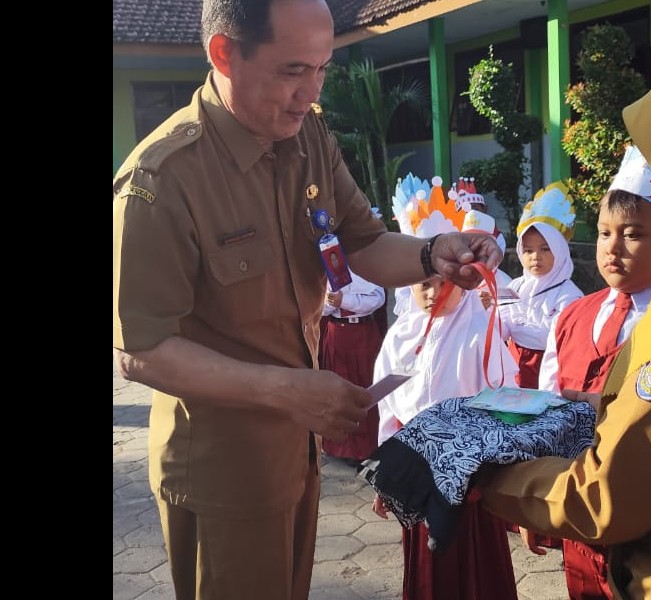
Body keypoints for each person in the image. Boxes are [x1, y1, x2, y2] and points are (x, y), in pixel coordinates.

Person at [111, 2, 502, 599]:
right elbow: (140, 352)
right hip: (223, 470)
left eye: (322, 69)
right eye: (293, 70)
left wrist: (433, 254)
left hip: (299, 447)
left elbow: (362, 241)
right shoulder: (163, 181)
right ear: (225, 54)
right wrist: (286, 390)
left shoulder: (307, 137)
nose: (311, 92)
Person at [476, 57, 651, 600]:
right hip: (571, 499)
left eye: (634, 235)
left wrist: (491, 480)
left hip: (639, 532)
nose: (613, 248)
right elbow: (553, 401)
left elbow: (621, 486)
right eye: (605, 233)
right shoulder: (576, 314)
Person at [372, 273, 520, 600]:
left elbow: (505, 405)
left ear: (463, 286)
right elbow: (388, 411)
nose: (433, 293)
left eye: (444, 284)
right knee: (428, 566)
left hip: (468, 474)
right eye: (424, 284)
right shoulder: (401, 337)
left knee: (472, 561)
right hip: (417, 474)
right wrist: (387, 477)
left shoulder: (479, 334)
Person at [499, 182, 584, 390]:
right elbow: (501, 329)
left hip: (550, 370)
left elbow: (556, 339)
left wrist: (518, 329)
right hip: (513, 368)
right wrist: (486, 313)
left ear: (560, 250)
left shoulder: (570, 295)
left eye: (545, 249)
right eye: (528, 250)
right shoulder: (515, 286)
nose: (535, 257)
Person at [320, 268, 386, 466]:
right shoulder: (326, 269)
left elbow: (377, 299)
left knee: (365, 387)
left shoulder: (366, 265)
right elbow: (319, 308)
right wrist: (330, 302)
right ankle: (341, 446)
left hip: (363, 334)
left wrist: (345, 300)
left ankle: (367, 446)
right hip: (336, 334)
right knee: (339, 388)